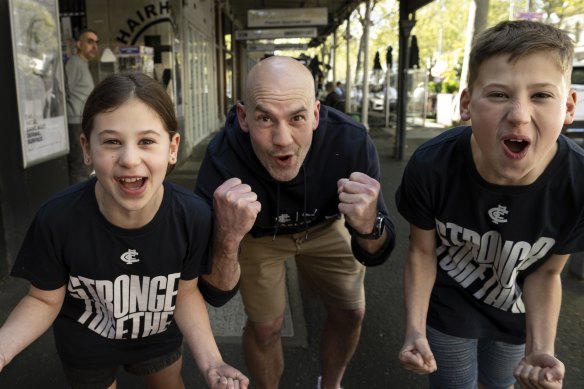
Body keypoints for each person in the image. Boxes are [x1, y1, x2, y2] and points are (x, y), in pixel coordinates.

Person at [0, 73, 249, 389]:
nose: (130, 159)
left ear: (172, 148)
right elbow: (43, 300)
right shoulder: (58, 218)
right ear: (87, 149)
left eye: (146, 141)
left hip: (158, 334)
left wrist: (212, 362)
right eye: (112, 141)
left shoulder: (192, 216)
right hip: (85, 341)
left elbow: (185, 294)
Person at [396, 20, 580, 389]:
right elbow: (421, 252)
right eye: (498, 95)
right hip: (448, 308)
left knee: (499, 384)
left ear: (569, 106)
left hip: (516, 316)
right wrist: (414, 329)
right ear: (466, 105)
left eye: (541, 95)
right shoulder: (432, 166)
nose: (519, 114)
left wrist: (541, 348)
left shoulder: (577, 183)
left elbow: (546, 273)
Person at [195, 55, 396, 389]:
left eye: (297, 118)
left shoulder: (350, 142)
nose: (283, 139)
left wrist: (367, 225)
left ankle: (330, 385)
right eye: (265, 119)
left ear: (316, 114)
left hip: (326, 224)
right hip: (257, 235)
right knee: (265, 328)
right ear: (243, 117)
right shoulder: (221, 160)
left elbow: (376, 252)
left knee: (351, 313)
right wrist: (228, 239)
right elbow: (214, 292)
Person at [65, 29, 99, 184]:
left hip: (83, 120)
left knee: (87, 164)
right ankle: (77, 205)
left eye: (96, 42)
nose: (94, 46)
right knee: (79, 165)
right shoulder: (74, 62)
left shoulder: (83, 64)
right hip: (75, 121)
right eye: (89, 41)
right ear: (79, 44)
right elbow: (65, 91)